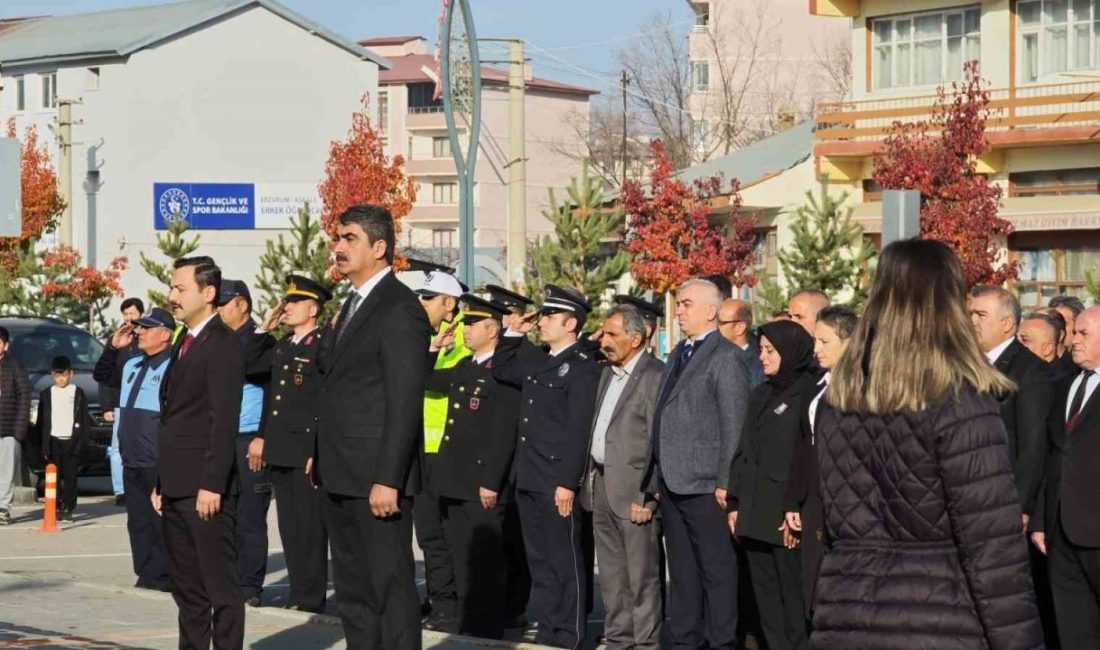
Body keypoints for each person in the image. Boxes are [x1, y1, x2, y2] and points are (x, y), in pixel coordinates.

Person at [813, 239, 1042, 649]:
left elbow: (835, 520)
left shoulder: (839, 396)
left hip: (848, 611)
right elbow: (992, 548)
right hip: (940, 617)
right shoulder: (961, 399)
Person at [315, 204, 432, 649]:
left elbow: (404, 402)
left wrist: (388, 478)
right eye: (338, 238)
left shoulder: (399, 309)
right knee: (352, 590)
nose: (338, 247)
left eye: (350, 239)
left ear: (379, 248)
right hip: (341, 472)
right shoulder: (351, 304)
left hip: (377, 478)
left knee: (389, 587)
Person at [491, 284, 601, 649]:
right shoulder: (541, 360)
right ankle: (551, 627)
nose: (542, 321)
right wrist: (512, 332)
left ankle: (569, 633)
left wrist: (568, 481)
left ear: (571, 322)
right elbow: (502, 368)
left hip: (556, 479)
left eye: (549, 316)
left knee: (564, 561)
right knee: (539, 560)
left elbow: (578, 430)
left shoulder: (583, 368)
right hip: (530, 475)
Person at [643, 278, 750, 650]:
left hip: (707, 486)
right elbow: (664, 416)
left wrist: (726, 481)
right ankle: (686, 641)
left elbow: (733, 425)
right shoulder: (678, 352)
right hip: (673, 483)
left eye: (687, 303)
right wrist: (656, 474)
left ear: (710, 311)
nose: (679, 310)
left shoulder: (726, 357)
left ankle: (721, 643)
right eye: (678, 303)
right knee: (684, 575)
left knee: (717, 573)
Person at [155, 256, 245, 649]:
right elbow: (175, 417)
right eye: (172, 288)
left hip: (205, 490)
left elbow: (223, 420)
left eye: (180, 289)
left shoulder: (222, 344)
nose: (171, 296)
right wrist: (162, 483)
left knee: (220, 589)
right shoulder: (184, 340)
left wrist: (212, 484)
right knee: (187, 590)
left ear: (207, 294)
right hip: (177, 483)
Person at [423, 295, 519, 638]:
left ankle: (488, 629)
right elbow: (428, 381)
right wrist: (434, 348)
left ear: (492, 330)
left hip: (481, 482)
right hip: (453, 480)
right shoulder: (466, 366)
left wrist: (492, 480)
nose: (463, 329)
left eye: (471, 324)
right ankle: (468, 623)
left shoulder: (503, 370)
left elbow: (504, 432)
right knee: (460, 555)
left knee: (487, 561)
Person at [579, 304, 664, 650]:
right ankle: (619, 640)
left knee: (641, 578)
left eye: (613, 334)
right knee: (613, 577)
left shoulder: (655, 376)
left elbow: (659, 441)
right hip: (601, 486)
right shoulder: (607, 373)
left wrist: (649, 494)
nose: (605, 340)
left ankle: (646, 644)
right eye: (604, 332)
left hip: (634, 493)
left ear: (636, 337)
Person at [246, 274, 332, 613]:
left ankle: (311, 599)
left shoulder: (323, 344)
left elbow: (325, 399)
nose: (287, 307)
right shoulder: (283, 345)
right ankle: (299, 592)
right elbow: (251, 368)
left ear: (313, 309)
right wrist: (262, 330)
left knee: (310, 528)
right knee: (291, 527)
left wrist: (317, 448)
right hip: (282, 447)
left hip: (306, 450)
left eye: (294, 302)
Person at [728, 320, 816, 650]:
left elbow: (805, 456)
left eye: (769, 350)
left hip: (784, 513)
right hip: (754, 511)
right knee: (766, 599)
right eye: (760, 350)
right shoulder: (761, 392)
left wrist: (796, 505)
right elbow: (743, 450)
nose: (762, 357)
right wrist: (735, 501)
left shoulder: (808, 391)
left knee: (793, 600)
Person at [781, 305, 856, 620]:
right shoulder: (817, 385)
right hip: (814, 496)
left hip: (847, 500)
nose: (816, 349)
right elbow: (802, 445)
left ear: (849, 343)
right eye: (815, 341)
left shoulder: (862, 388)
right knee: (812, 584)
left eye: (825, 342)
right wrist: (793, 501)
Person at [1032, 305, 1100, 647]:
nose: (1073, 340)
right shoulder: (1066, 385)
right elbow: (1052, 454)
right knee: (1073, 631)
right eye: (1076, 333)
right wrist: (1042, 520)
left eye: (1084, 334)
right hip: (1062, 536)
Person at [95, 307, 175, 592]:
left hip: (157, 457)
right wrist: (112, 348)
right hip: (131, 456)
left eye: (146, 328)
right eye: (139, 327)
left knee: (160, 522)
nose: (139, 331)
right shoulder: (133, 363)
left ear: (165, 335)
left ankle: (165, 575)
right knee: (138, 522)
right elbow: (102, 375)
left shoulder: (174, 364)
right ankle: (146, 573)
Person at [969, 285, 1053, 524]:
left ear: (1007, 323)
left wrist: (1020, 504)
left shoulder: (1030, 371)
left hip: (1002, 499)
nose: (973, 321)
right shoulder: (967, 364)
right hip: (968, 494)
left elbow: (1032, 444)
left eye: (981, 315)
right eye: (971, 314)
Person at [413, 268, 468, 631]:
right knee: (428, 534)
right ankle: (437, 599)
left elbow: (435, 381)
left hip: (447, 450)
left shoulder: (464, 334)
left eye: (428, 298)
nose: (421, 304)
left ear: (449, 304)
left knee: (442, 536)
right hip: (422, 447)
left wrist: (426, 355)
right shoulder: (431, 334)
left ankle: (448, 607)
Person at [216, 279, 274, 608]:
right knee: (225, 512)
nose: (220, 309)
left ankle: (250, 585)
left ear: (242, 304)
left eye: (225, 303)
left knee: (251, 516)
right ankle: (228, 578)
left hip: (250, 438)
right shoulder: (220, 340)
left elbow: (270, 395)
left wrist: (262, 437)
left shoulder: (262, 341)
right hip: (223, 437)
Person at [484, 283, 535, 628]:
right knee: (499, 540)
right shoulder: (495, 352)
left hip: (519, 460)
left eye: (504, 315)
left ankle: (516, 606)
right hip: (489, 456)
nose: (499, 322)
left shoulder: (528, 355)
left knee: (516, 541)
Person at [36, 356, 91, 522]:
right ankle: (56, 505)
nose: (61, 379)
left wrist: (81, 442)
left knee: (70, 477)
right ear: (52, 375)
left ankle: (69, 507)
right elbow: (42, 422)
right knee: (54, 477)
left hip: (71, 441)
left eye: (64, 375)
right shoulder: (47, 394)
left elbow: (84, 420)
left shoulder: (78, 393)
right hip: (53, 441)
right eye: (57, 375)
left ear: (71, 374)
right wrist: (44, 446)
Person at [103, 297, 144, 507]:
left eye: (132, 313)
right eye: (126, 314)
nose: (129, 318)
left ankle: (141, 487)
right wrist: (107, 406)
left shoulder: (147, 337)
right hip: (120, 404)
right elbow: (105, 374)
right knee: (117, 448)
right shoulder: (117, 340)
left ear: (141, 314)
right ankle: (120, 490)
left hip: (142, 405)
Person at [0, 326, 30, 526]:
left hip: (9, 427)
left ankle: (3, 508)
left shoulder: (15, 365)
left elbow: (24, 397)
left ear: (6, 345)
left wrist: (19, 431)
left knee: (6, 470)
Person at [718, 298, 765, 387]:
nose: (716, 328)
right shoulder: (713, 355)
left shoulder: (758, 365)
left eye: (721, 323)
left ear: (740, 327)